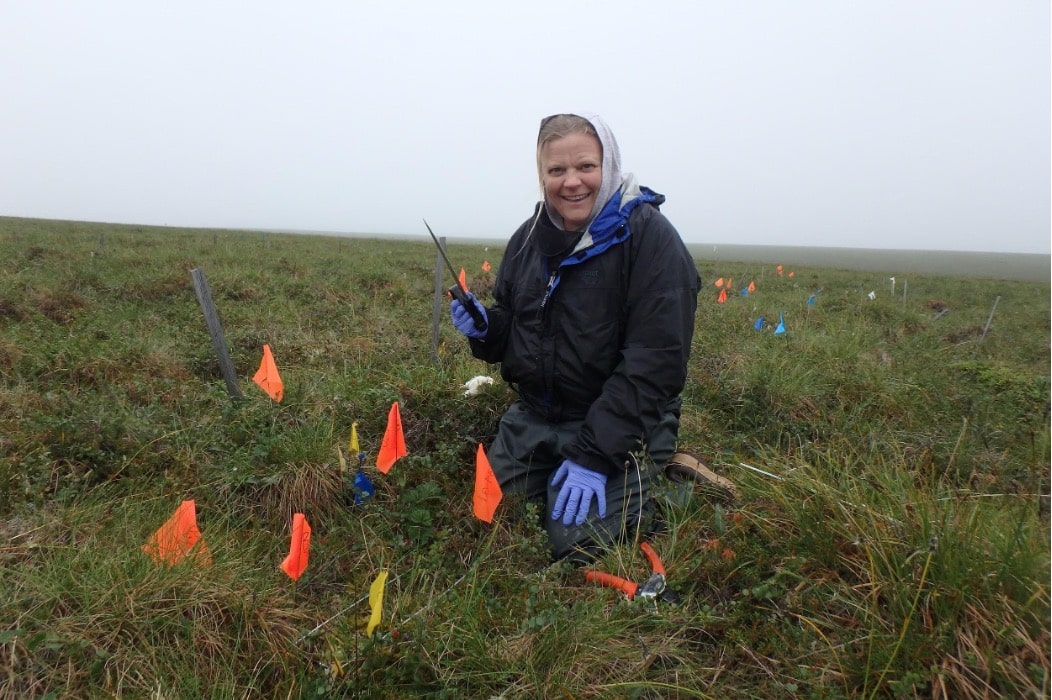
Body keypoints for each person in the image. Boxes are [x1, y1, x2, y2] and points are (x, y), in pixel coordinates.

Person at [450, 113, 700, 560]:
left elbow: (656, 362)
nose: (572, 182)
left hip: (617, 417)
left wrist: (594, 456)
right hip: (538, 416)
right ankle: (563, 475)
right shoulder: (527, 240)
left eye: (586, 166)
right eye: (556, 170)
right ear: (541, 174)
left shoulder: (650, 239)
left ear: (609, 165)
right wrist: (488, 329)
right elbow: (518, 326)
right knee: (490, 513)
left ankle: (669, 481)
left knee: (577, 543)